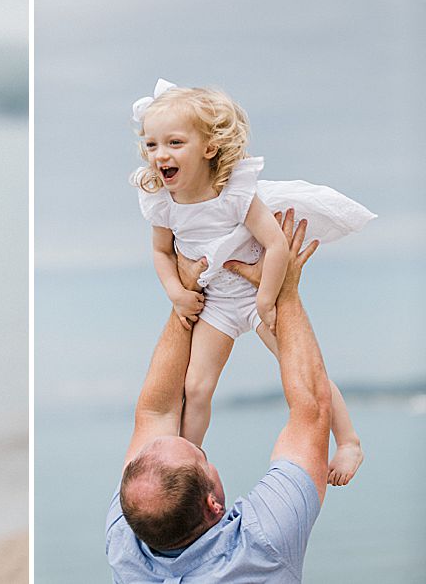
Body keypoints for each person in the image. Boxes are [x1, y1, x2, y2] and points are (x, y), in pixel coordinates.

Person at [131, 78, 370, 485]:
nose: (160, 155)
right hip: (217, 302)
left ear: (208, 148)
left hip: (258, 291)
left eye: (174, 143)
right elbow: (161, 252)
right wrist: (175, 293)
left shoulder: (233, 193)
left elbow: (275, 245)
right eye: (152, 145)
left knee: (302, 371)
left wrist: (265, 299)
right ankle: (188, 467)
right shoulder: (163, 202)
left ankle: (348, 442)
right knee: (196, 387)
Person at [107, 209, 334, 582]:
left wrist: (186, 295)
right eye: (201, 455)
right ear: (212, 504)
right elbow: (312, 411)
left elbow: (155, 412)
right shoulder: (264, 544)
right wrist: (286, 292)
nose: (194, 443)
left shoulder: (126, 543)